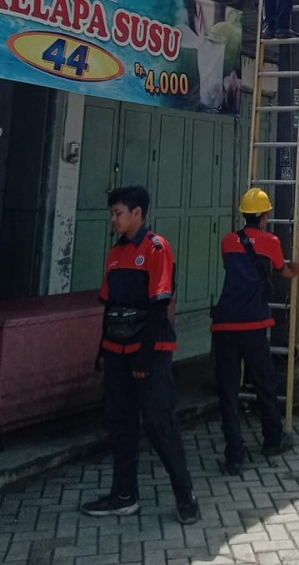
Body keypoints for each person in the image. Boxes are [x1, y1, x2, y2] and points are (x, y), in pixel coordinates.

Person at [81, 185, 199, 524]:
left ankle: (186, 497)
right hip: (116, 351)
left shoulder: (156, 248)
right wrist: (102, 350)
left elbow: (160, 305)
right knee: (120, 423)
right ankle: (123, 495)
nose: (114, 219)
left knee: (159, 422)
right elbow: (110, 306)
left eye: (118, 213)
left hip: (150, 351)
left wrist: (145, 357)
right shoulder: (115, 254)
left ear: (137, 213)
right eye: (112, 213)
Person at [211, 187, 299, 475]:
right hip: (253, 324)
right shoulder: (271, 241)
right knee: (264, 382)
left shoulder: (228, 241)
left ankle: (234, 455)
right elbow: (282, 270)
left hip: (224, 323)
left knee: (228, 390)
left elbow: (229, 267)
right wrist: (295, 270)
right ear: (264, 216)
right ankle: (272, 439)